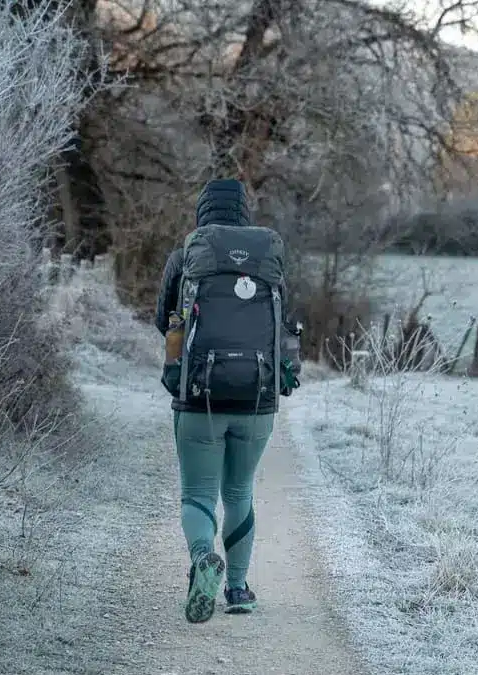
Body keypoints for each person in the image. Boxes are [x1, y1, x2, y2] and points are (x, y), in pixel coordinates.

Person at [154, 178, 301, 624]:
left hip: (198, 397)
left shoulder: (187, 255)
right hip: (257, 398)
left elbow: (165, 320)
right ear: (244, 212)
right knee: (238, 492)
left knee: (198, 492)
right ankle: (237, 588)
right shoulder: (267, 257)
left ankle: (203, 559)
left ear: (202, 211)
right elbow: (280, 325)